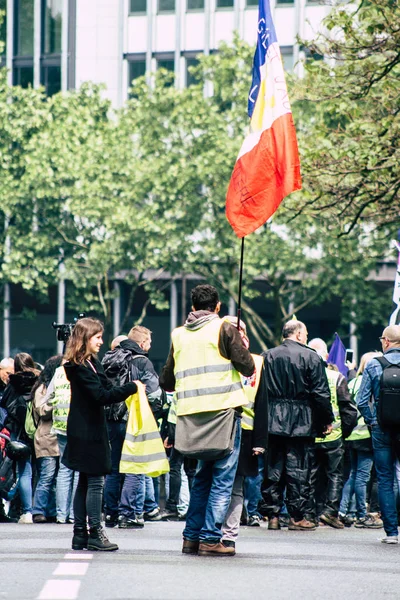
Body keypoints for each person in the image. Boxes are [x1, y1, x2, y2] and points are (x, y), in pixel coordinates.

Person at [160, 284, 255, 556]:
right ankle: (211, 539)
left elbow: (166, 380)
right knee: (223, 480)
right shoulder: (224, 329)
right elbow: (247, 366)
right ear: (217, 307)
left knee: (201, 477)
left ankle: (191, 537)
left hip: (191, 416)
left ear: (192, 308)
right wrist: (240, 343)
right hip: (223, 413)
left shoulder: (178, 335)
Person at [63, 317, 138, 552]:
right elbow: (101, 396)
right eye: (97, 337)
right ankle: (94, 532)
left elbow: (105, 389)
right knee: (95, 481)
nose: (101, 341)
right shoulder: (80, 367)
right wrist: (132, 387)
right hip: (87, 431)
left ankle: (79, 535)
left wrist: (124, 388)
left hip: (88, 429)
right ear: (85, 339)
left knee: (85, 481)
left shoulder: (90, 363)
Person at [259, 320, 334, 531]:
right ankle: (297, 516)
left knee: (272, 467)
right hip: (302, 419)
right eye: (307, 334)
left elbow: (259, 390)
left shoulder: (267, 356)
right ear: (299, 334)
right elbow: (320, 393)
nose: (307, 338)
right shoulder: (311, 356)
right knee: (299, 469)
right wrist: (326, 419)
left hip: (273, 417)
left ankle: (272, 515)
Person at [102, 327, 163, 529]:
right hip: (133, 419)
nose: (150, 346)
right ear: (143, 342)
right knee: (134, 466)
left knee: (113, 467)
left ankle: (110, 513)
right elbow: (154, 393)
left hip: (110, 419)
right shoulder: (141, 361)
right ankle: (128, 514)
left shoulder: (109, 358)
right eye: (149, 343)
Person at [220, 317, 268, 551]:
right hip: (215, 430)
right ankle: (210, 531)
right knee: (215, 484)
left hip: (245, 432)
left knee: (236, 486)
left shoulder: (257, 362)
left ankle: (229, 534)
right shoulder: (216, 356)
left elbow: (262, 404)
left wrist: (260, 441)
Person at [306, 338, 358, 529]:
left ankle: (309, 513)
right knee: (334, 475)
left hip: (310, 435)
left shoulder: (305, 377)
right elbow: (349, 409)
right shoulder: (336, 377)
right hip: (333, 436)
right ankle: (330, 512)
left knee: (310, 475)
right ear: (326, 356)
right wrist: (344, 432)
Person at [356, 324, 400, 544]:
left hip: (381, 428)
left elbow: (361, 400)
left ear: (386, 341)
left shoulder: (374, 364)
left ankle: (392, 533)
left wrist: (372, 420)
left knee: (384, 479)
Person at [339, 352, 383, 528]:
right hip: (365, 433)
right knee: (363, 476)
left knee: (353, 474)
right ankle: (361, 513)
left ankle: (343, 509)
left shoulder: (352, 382)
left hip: (352, 434)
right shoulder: (373, 381)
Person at [0, 353, 40, 524]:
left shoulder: (13, 382)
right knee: (43, 472)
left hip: (18, 431)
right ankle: (43, 508)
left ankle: (27, 511)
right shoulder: (39, 380)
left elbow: (5, 405)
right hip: (38, 431)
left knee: (24, 470)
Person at [31, 355, 63, 523]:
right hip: (46, 438)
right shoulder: (42, 389)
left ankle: (52, 510)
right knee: (47, 476)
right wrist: (55, 402)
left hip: (59, 437)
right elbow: (42, 411)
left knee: (58, 477)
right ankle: (39, 510)